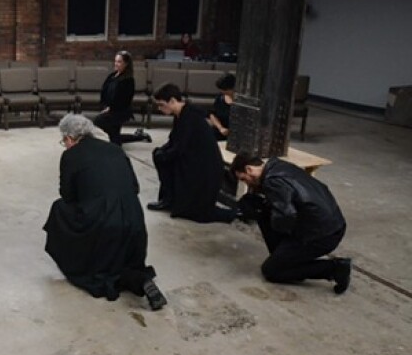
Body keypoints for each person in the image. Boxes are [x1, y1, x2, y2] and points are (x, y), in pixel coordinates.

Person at [43, 114, 167, 310]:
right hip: (133, 220)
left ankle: (81, 261)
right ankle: (141, 281)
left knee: (59, 209)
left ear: (69, 138)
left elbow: (67, 196)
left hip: (102, 224)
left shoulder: (70, 156)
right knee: (122, 262)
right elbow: (134, 187)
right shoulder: (115, 149)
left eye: (63, 141)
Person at [230, 152, 352, 293]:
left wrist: (260, 213)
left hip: (322, 236)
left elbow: (286, 217)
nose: (246, 183)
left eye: (244, 179)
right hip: (333, 225)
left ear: (249, 169)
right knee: (263, 210)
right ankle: (286, 259)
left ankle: (334, 268)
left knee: (271, 270)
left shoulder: (272, 182)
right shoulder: (278, 166)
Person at [147, 83, 233, 223]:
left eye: (162, 105)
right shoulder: (181, 114)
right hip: (193, 159)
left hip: (203, 168)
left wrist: (164, 154)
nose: (160, 108)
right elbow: (174, 140)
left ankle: (170, 199)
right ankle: (168, 198)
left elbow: (181, 146)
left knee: (165, 159)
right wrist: (161, 151)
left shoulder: (190, 117)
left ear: (173, 101)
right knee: (161, 156)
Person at [93, 50, 152, 146]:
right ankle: (139, 136)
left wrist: (110, 109)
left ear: (126, 64)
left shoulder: (128, 80)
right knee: (114, 137)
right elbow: (104, 92)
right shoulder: (112, 76)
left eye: (119, 62)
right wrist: (105, 106)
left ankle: (138, 136)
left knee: (99, 121)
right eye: (115, 61)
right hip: (109, 109)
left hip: (120, 111)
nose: (116, 64)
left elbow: (125, 100)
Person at [208, 73, 235, 141]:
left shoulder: (240, 101)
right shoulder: (220, 98)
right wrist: (220, 128)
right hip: (220, 131)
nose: (222, 91)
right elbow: (212, 114)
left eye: (225, 90)